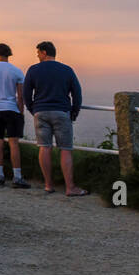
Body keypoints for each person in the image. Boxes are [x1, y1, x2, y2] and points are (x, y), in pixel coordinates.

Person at [24, 41, 88, 197]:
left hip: (41, 113)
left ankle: (48, 185)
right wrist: (73, 113)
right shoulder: (66, 70)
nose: (37, 56)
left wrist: (34, 110)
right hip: (61, 112)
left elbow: (26, 95)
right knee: (65, 149)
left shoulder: (33, 70)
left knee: (44, 147)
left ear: (44, 52)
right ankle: (70, 187)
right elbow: (77, 94)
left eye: (38, 53)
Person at [0, 43, 30, 188]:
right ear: (8, 54)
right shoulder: (17, 71)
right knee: (14, 143)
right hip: (12, 109)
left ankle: (0, 176)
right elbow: (21, 97)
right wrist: (21, 112)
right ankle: (17, 177)